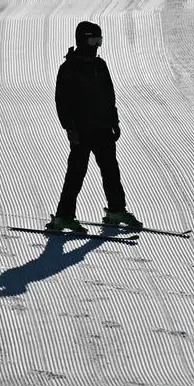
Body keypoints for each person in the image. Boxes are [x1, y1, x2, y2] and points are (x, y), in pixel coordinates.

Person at [47, 20, 142, 233]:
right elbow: (61, 101)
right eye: (93, 40)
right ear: (82, 40)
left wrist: (115, 122)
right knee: (76, 174)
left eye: (99, 40)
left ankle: (116, 210)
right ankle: (63, 217)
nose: (97, 45)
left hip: (103, 129)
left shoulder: (100, 65)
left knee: (111, 172)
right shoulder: (68, 68)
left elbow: (110, 96)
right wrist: (70, 129)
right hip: (81, 132)